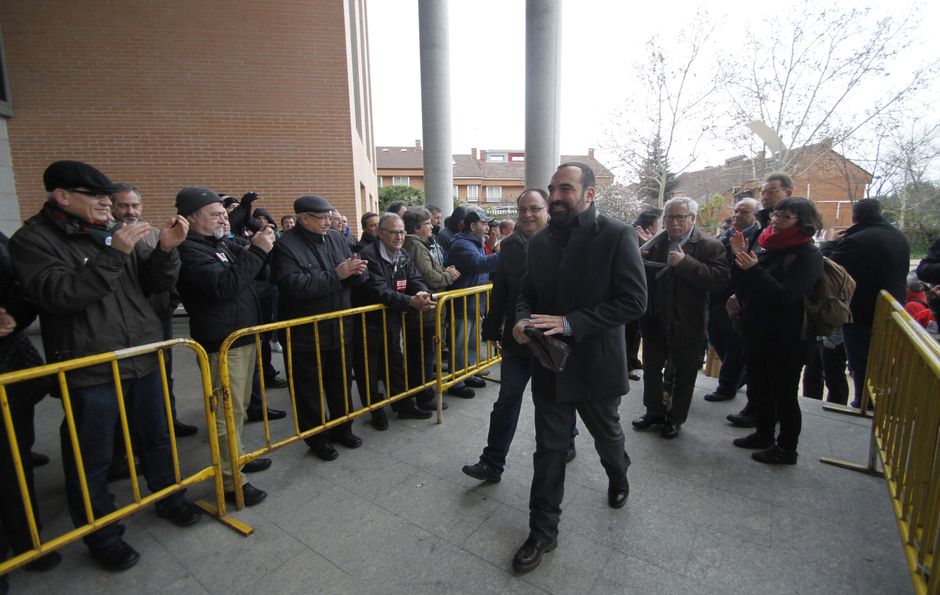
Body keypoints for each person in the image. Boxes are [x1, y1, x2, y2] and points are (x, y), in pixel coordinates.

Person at [10, 161, 203, 571]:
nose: (107, 204)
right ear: (62, 197)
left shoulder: (111, 234)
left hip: (143, 356)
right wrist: (116, 253)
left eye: (107, 197)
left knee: (157, 437)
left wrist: (166, 250)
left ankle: (169, 498)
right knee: (91, 457)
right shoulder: (34, 240)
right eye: (96, 197)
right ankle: (103, 533)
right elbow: (60, 295)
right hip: (90, 368)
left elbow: (156, 285)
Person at [510, 163, 647, 573]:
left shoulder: (617, 235)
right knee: (549, 450)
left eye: (565, 188)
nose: (555, 196)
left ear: (589, 194)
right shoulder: (539, 243)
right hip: (551, 365)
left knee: (608, 436)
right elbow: (526, 293)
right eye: (552, 188)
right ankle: (542, 531)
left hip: (597, 365)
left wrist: (572, 323)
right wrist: (520, 320)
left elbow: (634, 302)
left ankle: (618, 474)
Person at [464, 188, 578, 484]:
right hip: (518, 340)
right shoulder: (510, 246)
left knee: (556, 400)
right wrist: (491, 328)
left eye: (535, 209)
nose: (528, 214)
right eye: (523, 209)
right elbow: (501, 288)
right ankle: (492, 462)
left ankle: (567, 438)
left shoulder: (566, 242)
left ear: (547, 211)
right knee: (506, 400)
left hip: (553, 340)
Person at [175, 186, 274, 507]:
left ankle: (237, 459)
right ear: (192, 218)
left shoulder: (219, 245)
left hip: (241, 336)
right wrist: (256, 252)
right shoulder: (189, 250)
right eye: (215, 214)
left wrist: (259, 251)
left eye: (223, 213)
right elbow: (224, 286)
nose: (224, 219)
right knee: (225, 414)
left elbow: (250, 279)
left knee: (240, 408)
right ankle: (231, 481)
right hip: (222, 342)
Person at [272, 195, 369, 461]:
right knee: (309, 389)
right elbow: (294, 286)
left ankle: (343, 428)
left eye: (330, 216)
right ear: (304, 218)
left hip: (339, 326)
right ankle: (317, 438)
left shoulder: (337, 238)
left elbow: (353, 269)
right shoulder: (286, 246)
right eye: (324, 218)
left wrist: (360, 271)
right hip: (306, 332)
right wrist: (336, 275)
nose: (330, 222)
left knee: (340, 383)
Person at [729, 197, 824, 464]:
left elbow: (786, 296)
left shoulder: (808, 254)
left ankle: (786, 448)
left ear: (803, 221)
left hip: (788, 338)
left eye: (785, 217)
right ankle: (763, 434)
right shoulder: (768, 244)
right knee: (760, 388)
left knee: (783, 394)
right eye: (775, 216)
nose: (776, 221)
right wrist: (739, 257)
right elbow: (747, 284)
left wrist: (755, 268)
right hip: (758, 330)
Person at [632, 197, 728, 439]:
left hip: (687, 322)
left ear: (692, 219)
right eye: (670, 217)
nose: (674, 222)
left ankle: (675, 419)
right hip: (654, 320)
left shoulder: (709, 246)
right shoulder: (656, 242)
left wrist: (686, 263)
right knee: (652, 371)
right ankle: (654, 411)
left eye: (680, 217)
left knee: (684, 375)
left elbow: (719, 280)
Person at [111, 183, 198, 437]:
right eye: (123, 205)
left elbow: (171, 274)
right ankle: (131, 438)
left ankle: (168, 420)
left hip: (158, 317)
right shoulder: (108, 238)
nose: (130, 211)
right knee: (128, 384)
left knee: (162, 374)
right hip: (124, 324)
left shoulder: (155, 234)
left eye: (134, 205)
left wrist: (169, 304)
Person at [0, 232, 62, 575]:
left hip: (8, 375)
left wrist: (12, 315)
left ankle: (26, 542)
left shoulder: (4, 246)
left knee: (13, 467)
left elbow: (25, 293)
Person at [352, 213, 436, 425]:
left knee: (395, 363)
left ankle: (403, 405)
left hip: (392, 319)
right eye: (393, 232)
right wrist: (410, 301)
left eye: (401, 232)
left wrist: (422, 292)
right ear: (380, 233)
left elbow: (415, 278)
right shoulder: (367, 255)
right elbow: (378, 291)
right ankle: (376, 410)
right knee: (369, 368)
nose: (399, 237)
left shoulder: (404, 255)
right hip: (368, 323)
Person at [829, 199, 910, 408]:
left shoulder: (856, 240)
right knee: (881, 362)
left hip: (861, 313)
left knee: (860, 361)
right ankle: (875, 403)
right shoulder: (898, 236)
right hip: (893, 310)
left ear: (855, 217)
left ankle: (864, 403)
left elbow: (827, 264)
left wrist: (830, 242)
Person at [401, 207, 460, 411]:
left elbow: (434, 269)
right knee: (423, 356)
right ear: (417, 227)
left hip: (428, 312)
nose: (432, 226)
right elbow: (430, 276)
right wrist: (449, 276)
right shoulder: (415, 245)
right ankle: (424, 396)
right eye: (428, 223)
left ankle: (423, 393)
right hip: (424, 313)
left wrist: (444, 272)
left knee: (424, 355)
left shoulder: (418, 243)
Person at [703, 198, 761, 403]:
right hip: (716, 296)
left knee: (734, 343)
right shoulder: (726, 234)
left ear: (755, 215)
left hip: (736, 298)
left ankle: (727, 386)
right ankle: (738, 378)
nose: (737, 216)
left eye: (744, 212)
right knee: (717, 339)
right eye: (736, 211)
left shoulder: (757, 238)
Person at [445, 207, 500, 397]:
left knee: (471, 342)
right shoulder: (462, 245)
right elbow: (479, 264)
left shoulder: (475, 242)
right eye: (484, 224)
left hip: (474, 302)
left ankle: (468, 373)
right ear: (472, 225)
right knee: (459, 343)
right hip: (463, 303)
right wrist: (506, 254)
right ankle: (457, 381)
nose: (487, 228)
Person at [626, 208, 661, 379]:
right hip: (630, 291)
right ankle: (626, 364)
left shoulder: (651, 237)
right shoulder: (631, 234)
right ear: (654, 222)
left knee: (636, 331)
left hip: (644, 291)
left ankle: (632, 360)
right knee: (630, 330)